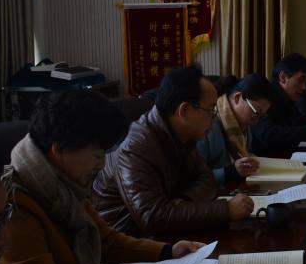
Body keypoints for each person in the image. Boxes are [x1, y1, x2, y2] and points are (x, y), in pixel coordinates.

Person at [0, 90, 205, 264]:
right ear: (59, 150)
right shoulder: (13, 204)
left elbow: (106, 242)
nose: (101, 165)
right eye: (96, 156)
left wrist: (168, 251)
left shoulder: (63, 184)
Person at [92, 64, 254, 235]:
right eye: (211, 110)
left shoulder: (183, 135)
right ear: (184, 111)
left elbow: (207, 180)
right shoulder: (136, 147)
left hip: (166, 235)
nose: (214, 118)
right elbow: (153, 218)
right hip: (127, 241)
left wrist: (180, 204)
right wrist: (225, 210)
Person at [198, 73, 275, 187]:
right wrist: (231, 172)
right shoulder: (208, 125)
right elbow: (194, 179)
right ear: (237, 97)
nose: (257, 120)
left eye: (262, 116)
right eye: (255, 112)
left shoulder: (245, 126)